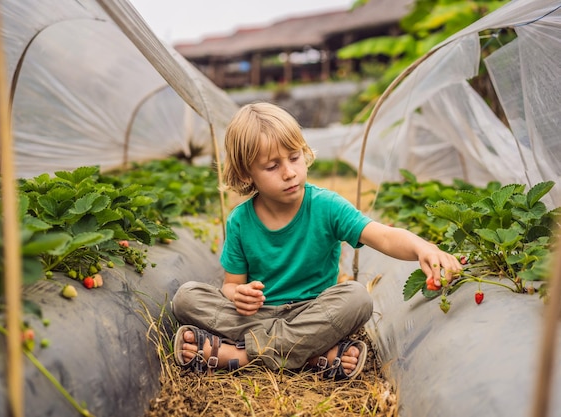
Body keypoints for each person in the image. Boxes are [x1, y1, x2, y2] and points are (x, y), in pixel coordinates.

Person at [171, 102, 462, 379]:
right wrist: (238, 295)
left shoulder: (326, 206)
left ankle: (244, 355)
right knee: (186, 297)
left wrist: (422, 247)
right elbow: (232, 285)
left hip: (311, 312)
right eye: (272, 166)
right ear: (248, 174)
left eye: (295, 157)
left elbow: (383, 236)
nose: (290, 172)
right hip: (261, 316)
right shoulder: (240, 221)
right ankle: (310, 354)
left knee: (357, 298)